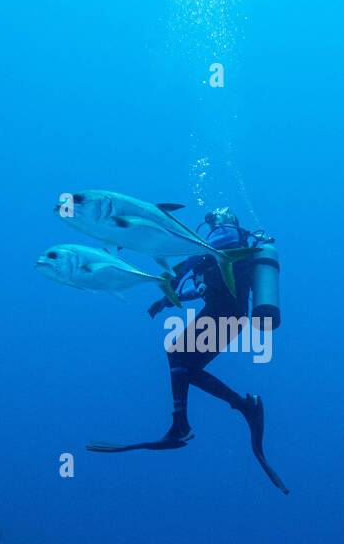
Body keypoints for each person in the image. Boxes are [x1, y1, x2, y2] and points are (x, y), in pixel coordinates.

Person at [87, 208, 289, 494]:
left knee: (177, 355)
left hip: (225, 315)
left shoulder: (224, 239)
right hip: (228, 315)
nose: (215, 225)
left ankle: (184, 424)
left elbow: (197, 262)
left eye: (216, 220)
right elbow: (201, 285)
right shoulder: (226, 246)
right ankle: (243, 407)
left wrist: (173, 279)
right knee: (186, 365)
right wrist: (168, 301)